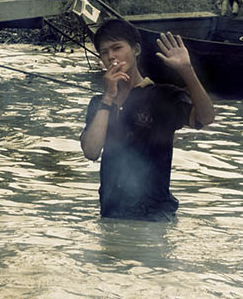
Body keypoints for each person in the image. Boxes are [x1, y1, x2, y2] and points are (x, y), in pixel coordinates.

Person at [80, 18, 215, 219]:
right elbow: (91, 151)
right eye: (104, 52)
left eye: (117, 48)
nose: (111, 57)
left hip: (154, 216)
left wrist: (187, 71)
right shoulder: (100, 104)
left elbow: (205, 118)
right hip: (110, 213)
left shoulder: (162, 96)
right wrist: (109, 97)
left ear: (135, 50)